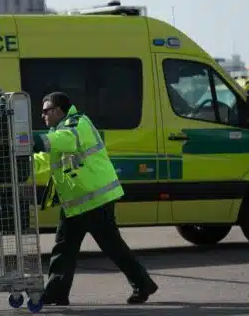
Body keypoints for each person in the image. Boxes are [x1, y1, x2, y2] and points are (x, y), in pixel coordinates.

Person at [31, 91, 158, 306]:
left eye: (46, 111)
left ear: (59, 110)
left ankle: (143, 285)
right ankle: (57, 294)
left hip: (95, 200)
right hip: (78, 202)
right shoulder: (57, 131)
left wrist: (32, 139)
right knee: (67, 248)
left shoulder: (79, 123)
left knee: (107, 248)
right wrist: (14, 163)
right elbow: (42, 160)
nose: (42, 115)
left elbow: (65, 140)